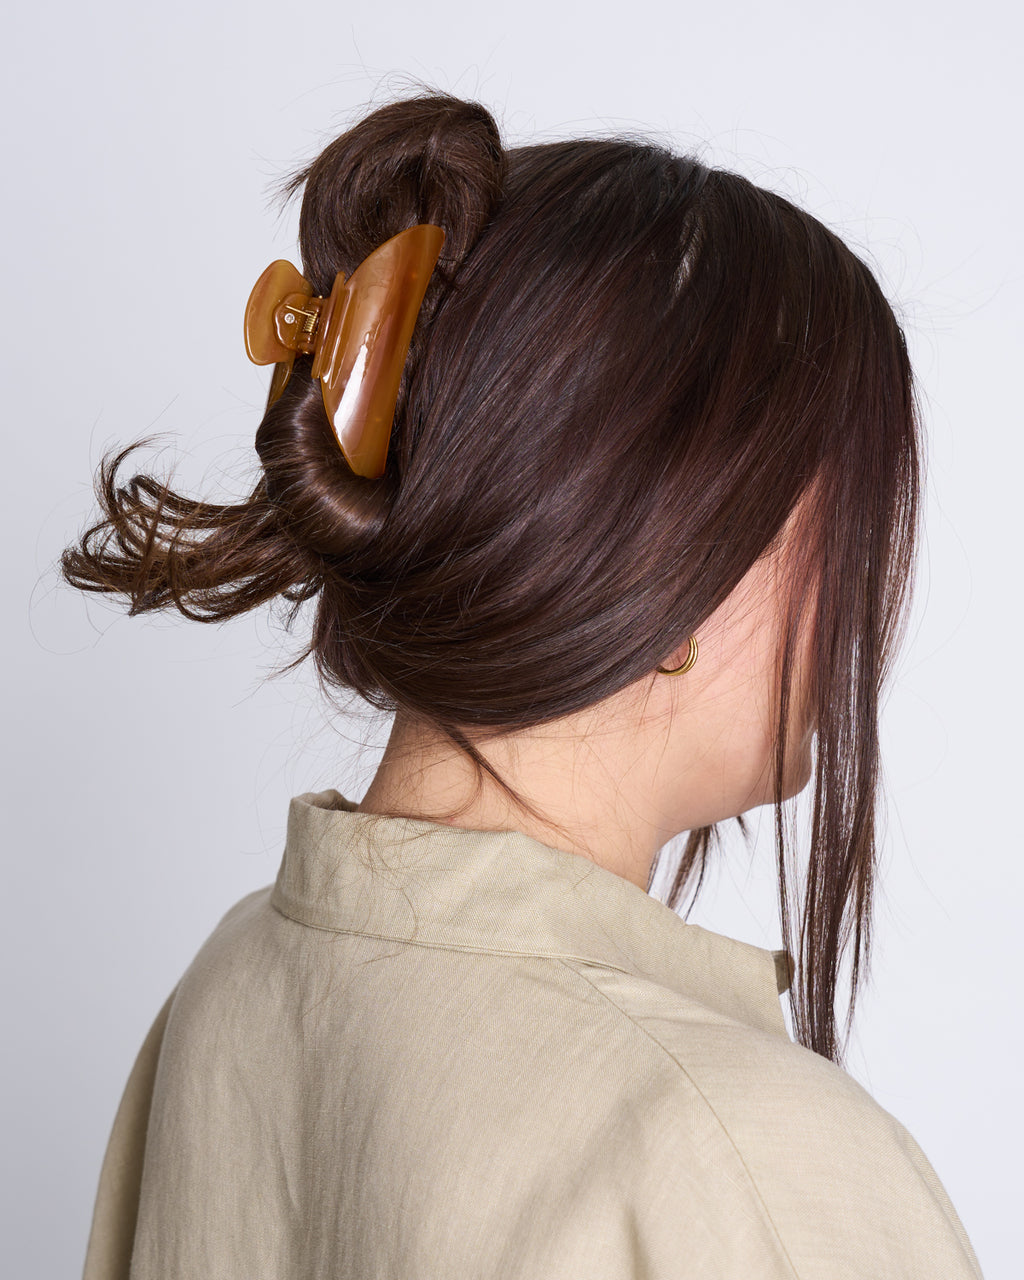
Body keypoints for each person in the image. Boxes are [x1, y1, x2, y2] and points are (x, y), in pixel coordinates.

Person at [63, 89, 983, 1278]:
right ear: (666, 557)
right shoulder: (742, 1150)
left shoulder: (229, 992)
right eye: (845, 516)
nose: (863, 589)